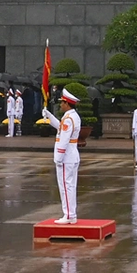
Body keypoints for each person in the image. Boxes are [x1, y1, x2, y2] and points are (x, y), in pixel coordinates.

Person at [43, 88, 84, 225]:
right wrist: (49, 116)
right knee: (70, 186)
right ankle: (71, 214)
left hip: (67, 156)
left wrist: (58, 157)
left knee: (66, 186)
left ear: (67, 103)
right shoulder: (73, 116)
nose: (60, 105)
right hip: (72, 155)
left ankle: (69, 215)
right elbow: (61, 127)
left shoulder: (68, 118)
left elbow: (64, 138)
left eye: (62, 103)